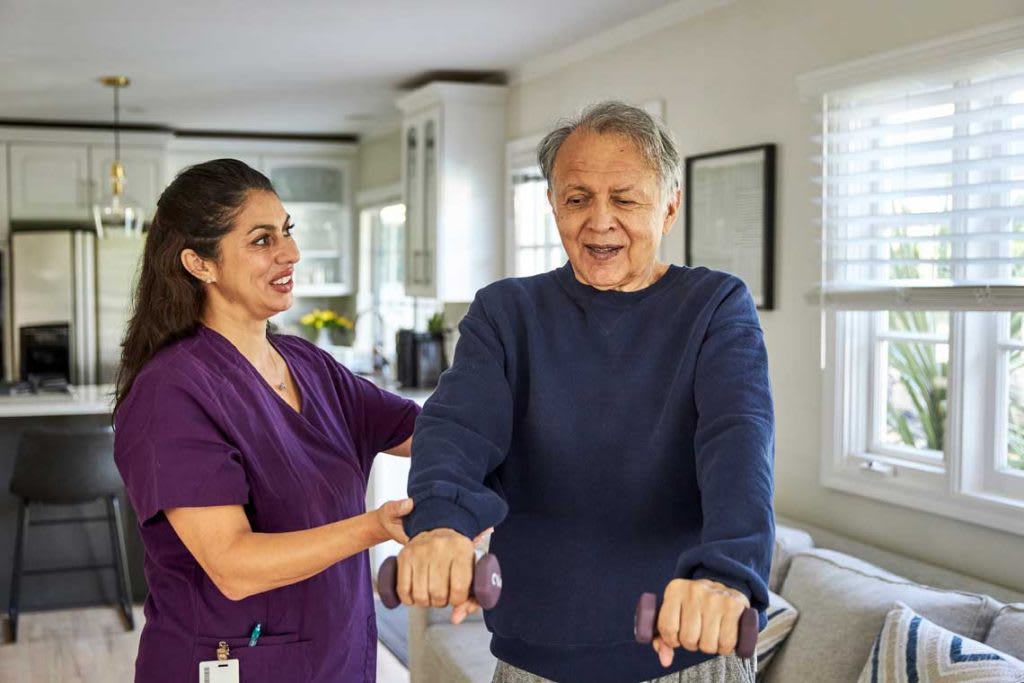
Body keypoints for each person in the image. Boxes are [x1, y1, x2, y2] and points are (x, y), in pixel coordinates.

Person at [397, 102, 774, 683]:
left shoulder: (715, 306)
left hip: (683, 663)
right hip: (532, 660)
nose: (600, 222)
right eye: (577, 199)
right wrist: (442, 524)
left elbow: (739, 442)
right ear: (553, 206)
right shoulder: (505, 312)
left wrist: (728, 574)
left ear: (669, 205)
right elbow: (458, 428)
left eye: (625, 198)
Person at [113, 159, 420, 683]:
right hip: (232, 665)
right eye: (261, 240)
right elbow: (233, 566)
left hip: (337, 657)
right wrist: (376, 527)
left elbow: (423, 433)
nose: (290, 253)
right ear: (199, 263)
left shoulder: (308, 363)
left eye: (287, 232)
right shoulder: (172, 391)